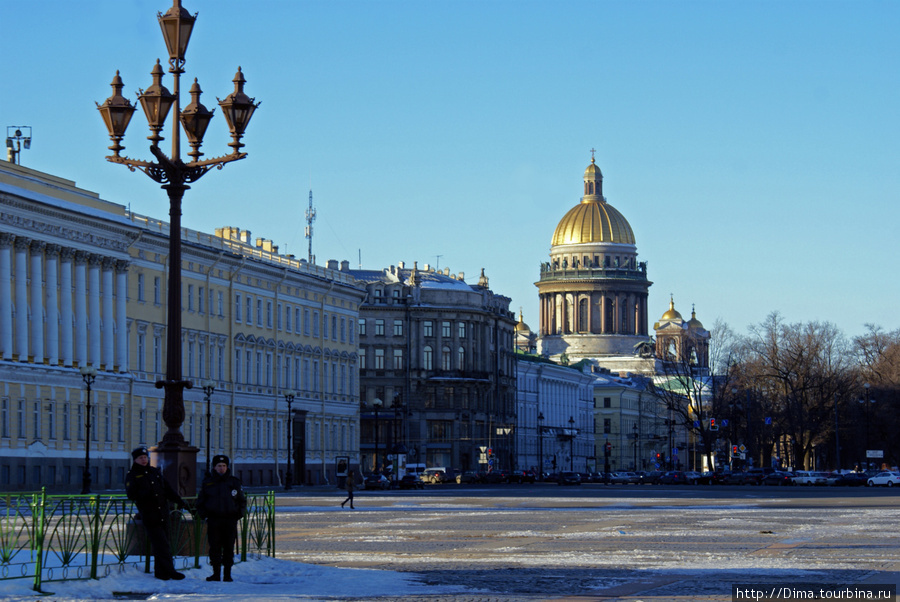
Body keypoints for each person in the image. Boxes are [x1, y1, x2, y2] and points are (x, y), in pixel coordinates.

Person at [124, 447, 188, 581]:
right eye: (140, 458)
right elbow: (131, 494)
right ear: (135, 460)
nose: (144, 460)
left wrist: (180, 501)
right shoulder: (133, 475)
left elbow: (168, 489)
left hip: (163, 513)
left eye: (145, 457)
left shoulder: (154, 472)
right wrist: (146, 495)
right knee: (162, 544)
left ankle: (161, 572)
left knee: (163, 543)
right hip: (149, 514)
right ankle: (170, 571)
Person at [196, 454, 246, 582]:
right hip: (214, 519)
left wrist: (239, 513)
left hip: (230, 519)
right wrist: (203, 514)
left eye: (224, 466)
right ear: (214, 467)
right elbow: (201, 500)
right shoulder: (208, 482)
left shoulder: (234, 482)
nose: (222, 468)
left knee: (229, 547)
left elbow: (241, 500)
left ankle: (227, 574)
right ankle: (216, 573)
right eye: (219, 466)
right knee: (215, 547)